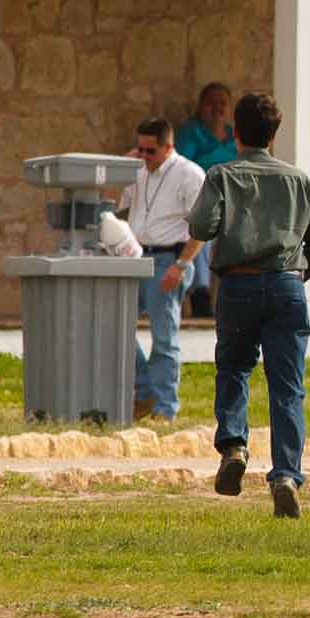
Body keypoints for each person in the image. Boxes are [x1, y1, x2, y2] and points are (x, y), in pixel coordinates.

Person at [187, 92, 310, 520]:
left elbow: (201, 225)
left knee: (234, 368)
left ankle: (234, 445)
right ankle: (286, 474)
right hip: (287, 286)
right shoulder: (299, 180)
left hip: (239, 286)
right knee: (288, 385)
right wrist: (297, 274)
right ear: (275, 134)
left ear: (237, 132)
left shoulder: (221, 175)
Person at [118, 117, 206, 423]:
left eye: (150, 151)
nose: (143, 156)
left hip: (168, 260)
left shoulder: (190, 174)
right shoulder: (137, 169)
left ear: (169, 147)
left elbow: (204, 226)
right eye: (139, 149)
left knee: (164, 337)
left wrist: (182, 265)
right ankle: (144, 392)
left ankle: (166, 408)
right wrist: (121, 168)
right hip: (136, 257)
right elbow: (110, 203)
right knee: (116, 326)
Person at [175, 82, 239, 318]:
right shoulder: (192, 132)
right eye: (211, 102)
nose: (217, 108)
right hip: (200, 198)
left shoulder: (236, 135)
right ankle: (201, 294)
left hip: (234, 203)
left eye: (223, 103)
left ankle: (234, 299)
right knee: (203, 229)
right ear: (201, 107)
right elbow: (183, 169)